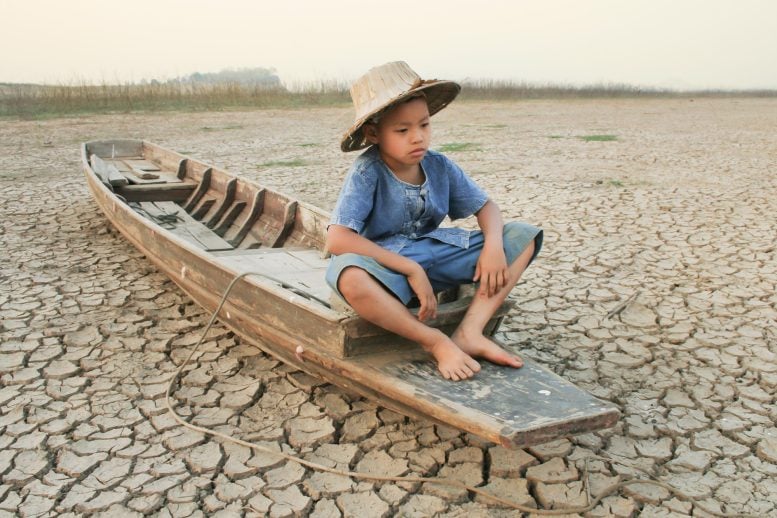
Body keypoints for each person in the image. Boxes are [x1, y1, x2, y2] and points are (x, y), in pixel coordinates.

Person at [326, 61, 543, 381]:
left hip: (436, 252)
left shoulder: (439, 165)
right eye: (402, 130)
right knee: (348, 276)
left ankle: (470, 331)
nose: (417, 138)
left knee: (522, 236)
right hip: (387, 266)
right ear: (374, 133)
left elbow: (487, 208)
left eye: (424, 125)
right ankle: (436, 341)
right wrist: (410, 269)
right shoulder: (367, 171)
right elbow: (337, 239)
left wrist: (494, 247)